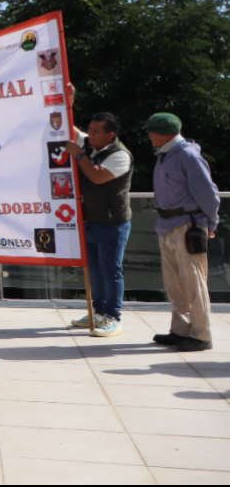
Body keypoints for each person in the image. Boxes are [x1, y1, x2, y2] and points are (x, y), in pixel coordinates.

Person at [62, 86, 133, 338]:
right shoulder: (91, 145)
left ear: (109, 135)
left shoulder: (120, 155)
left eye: (95, 132)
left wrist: (80, 155)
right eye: (89, 130)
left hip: (112, 223)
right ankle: (99, 312)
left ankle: (113, 317)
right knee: (94, 270)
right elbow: (71, 130)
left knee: (111, 270)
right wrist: (68, 102)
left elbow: (96, 176)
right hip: (89, 221)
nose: (89, 135)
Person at [147, 113, 221, 352]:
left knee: (193, 281)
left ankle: (202, 335)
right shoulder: (165, 155)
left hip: (188, 225)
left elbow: (208, 194)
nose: (149, 135)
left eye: (152, 131)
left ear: (164, 133)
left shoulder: (188, 155)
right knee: (174, 282)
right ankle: (180, 329)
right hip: (168, 225)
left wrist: (211, 223)